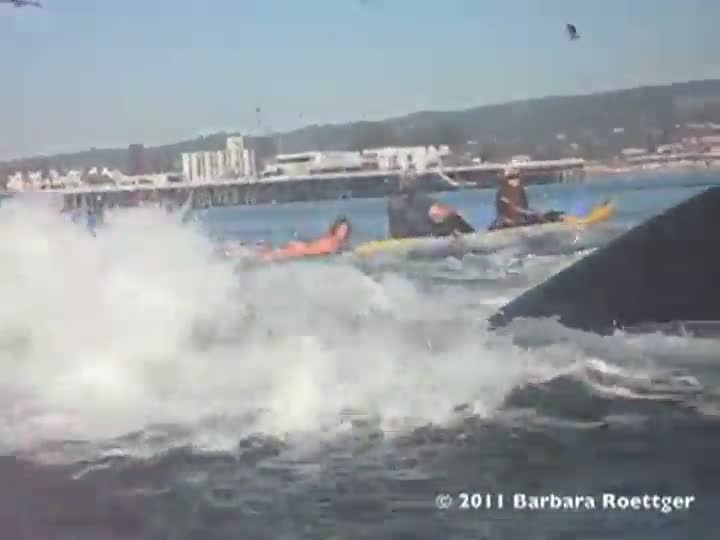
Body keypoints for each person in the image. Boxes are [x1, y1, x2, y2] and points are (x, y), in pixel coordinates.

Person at [387, 173, 475, 239]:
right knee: (452, 218)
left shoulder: (392, 202)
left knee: (448, 218)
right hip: (420, 237)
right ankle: (474, 237)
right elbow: (437, 213)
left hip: (402, 238)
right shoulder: (418, 200)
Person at [489, 166, 564, 230]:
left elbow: (525, 207)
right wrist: (509, 220)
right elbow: (501, 213)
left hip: (520, 218)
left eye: (517, 176)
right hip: (507, 221)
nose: (515, 179)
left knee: (537, 216)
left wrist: (532, 214)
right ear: (506, 179)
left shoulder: (520, 190)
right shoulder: (502, 193)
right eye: (511, 177)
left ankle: (554, 219)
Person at [257, 216, 352, 261]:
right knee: (268, 257)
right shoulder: (332, 242)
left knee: (272, 254)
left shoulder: (335, 241)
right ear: (336, 229)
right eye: (341, 229)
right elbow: (316, 251)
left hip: (302, 248)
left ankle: (261, 249)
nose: (343, 232)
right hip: (301, 249)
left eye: (345, 230)